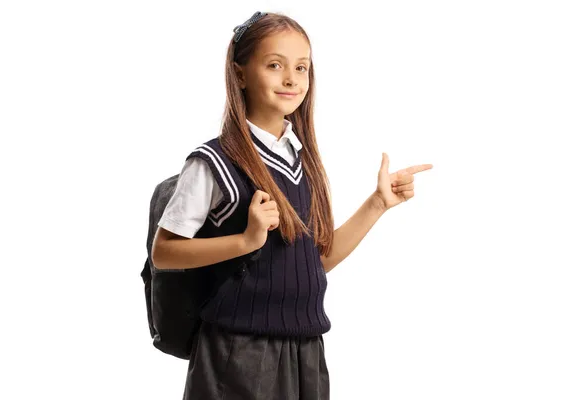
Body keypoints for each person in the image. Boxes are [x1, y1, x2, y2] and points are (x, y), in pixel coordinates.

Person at [151, 11, 433, 400]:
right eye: (274, 65)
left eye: (301, 68)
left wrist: (377, 204)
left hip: (305, 349)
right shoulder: (213, 162)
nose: (291, 79)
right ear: (240, 74)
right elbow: (164, 253)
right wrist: (245, 241)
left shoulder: (303, 161)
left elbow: (315, 261)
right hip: (240, 352)